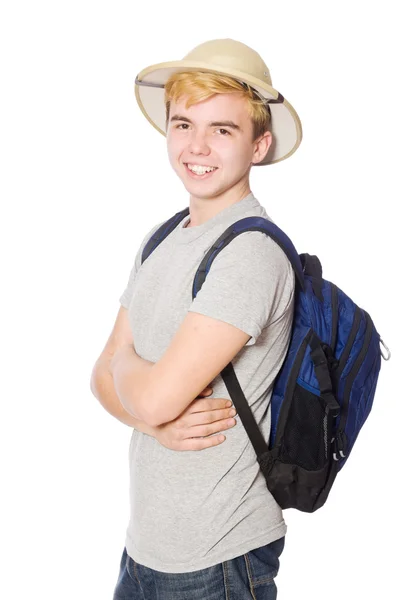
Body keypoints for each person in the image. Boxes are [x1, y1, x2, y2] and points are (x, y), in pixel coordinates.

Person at [91, 38, 302, 599]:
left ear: (259, 145)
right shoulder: (161, 239)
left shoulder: (250, 254)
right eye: (183, 124)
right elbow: (100, 379)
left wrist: (129, 369)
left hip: (219, 560)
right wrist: (152, 420)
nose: (197, 146)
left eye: (222, 130)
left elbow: (132, 379)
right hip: (145, 549)